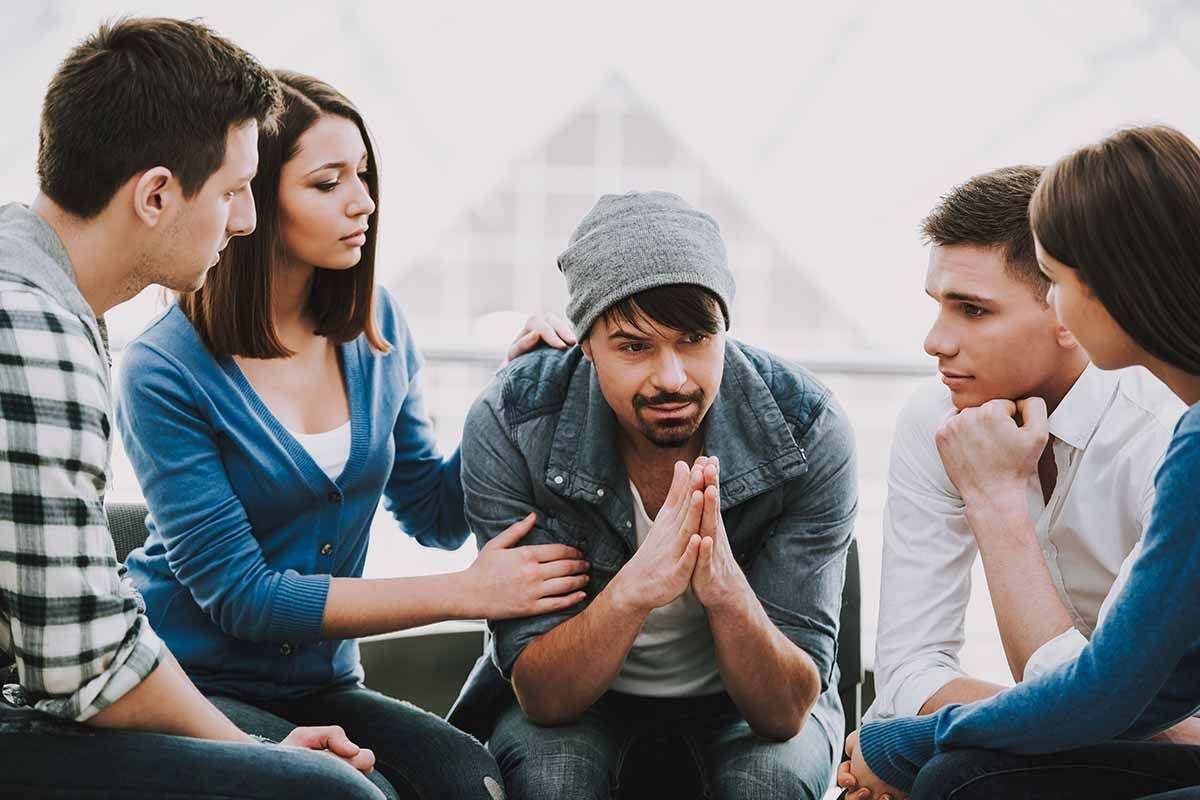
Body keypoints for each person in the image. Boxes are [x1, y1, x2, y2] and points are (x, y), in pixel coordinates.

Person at [115, 70, 576, 800]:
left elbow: (434, 512)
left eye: (362, 175)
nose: (362, 201)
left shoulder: (377, 326)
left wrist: (515, 393)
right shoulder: (160, 370)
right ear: (251, 199)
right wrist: (465, 594)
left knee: (470, 780)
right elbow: (246, 599)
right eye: (327, 183)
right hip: (187, 684)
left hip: (324, 683)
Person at [0, 17, 386, 799]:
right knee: (334, 795)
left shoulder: (42, 295)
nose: (245, 222)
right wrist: (264, 753)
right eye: (235, 191)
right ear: (155, 194)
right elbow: (87, 663)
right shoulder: (35, 329)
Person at [448, 190, 858, 800]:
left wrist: (724, 591)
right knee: (551, 781)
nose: (671, 378)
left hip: (743, 707)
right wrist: (638, 586)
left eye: (694, 339)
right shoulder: (514, 421)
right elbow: (544, 698)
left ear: (724, 329)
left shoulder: (807, 429)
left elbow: (784, 713)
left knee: (768, 783)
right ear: (585, 344)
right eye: (634, 347)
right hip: (584, 703)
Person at [842, 124, 1200, 799]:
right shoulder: (939, 420)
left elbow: (1107, 693)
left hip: (1140, 726)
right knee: (960, 775)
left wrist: (997, 497)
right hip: (1132, 721)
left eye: (973, 310)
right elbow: (909, 675)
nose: (933, 342)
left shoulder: (1173, 435)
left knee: (951, 774)